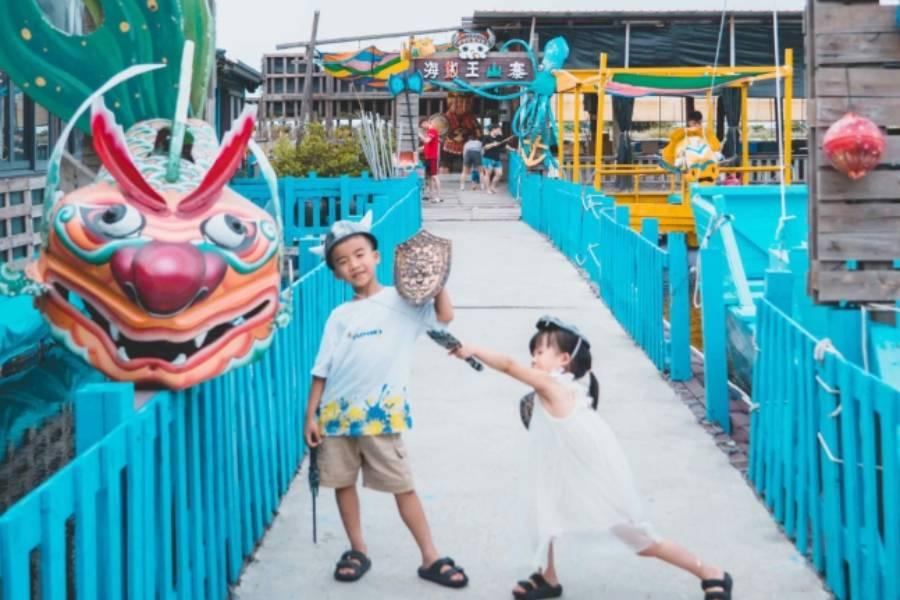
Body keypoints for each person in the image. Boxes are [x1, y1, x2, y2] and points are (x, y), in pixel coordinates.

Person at [449, 316, 733, 600]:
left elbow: (509, 366)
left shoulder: (553, 386)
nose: (533, 358)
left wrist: (473, 349)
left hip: (593, 478)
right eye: (533, 352)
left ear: (564, 359)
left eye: (541, 352)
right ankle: (548, 578)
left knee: (641, 540)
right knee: (542, 514)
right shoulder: (561, 386)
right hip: (562, 468)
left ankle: (711, 572)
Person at [304, 214, 468, 589]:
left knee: (402, 485)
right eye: (342, 261)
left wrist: (436, 281)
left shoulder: (404, 299)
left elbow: (444, 316)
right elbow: (322, 370)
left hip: (382, 419)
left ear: (376, 257)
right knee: (343, 483)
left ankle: (430, 556)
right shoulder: (339, 316)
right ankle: (357, 548)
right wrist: (311, 415)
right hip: (336, 418)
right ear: (335, 273)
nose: (353, 264)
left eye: (359, 254)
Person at [481, 124, 510, 194]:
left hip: (497, 159)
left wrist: (512, 149)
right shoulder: (486, 137)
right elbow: (484, 147)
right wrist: (493, 144)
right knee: (488, 174)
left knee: (499, 174)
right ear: (493, 129)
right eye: (498, 129)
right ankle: (488, 189)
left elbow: (504, 145)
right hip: (488, 158)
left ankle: (492, 186)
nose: (500, 131)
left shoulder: (499, 137)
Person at [418, 118, 442, 203]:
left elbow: (426, 141)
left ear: (426, 123)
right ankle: (432, 196)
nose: (423, 128)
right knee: (429, 177)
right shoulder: (428, 132)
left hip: (432, 158)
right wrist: (416, 150)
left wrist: (419, 134)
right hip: (427, 157)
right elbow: (425, 146)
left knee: (434, 176)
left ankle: (438, 196)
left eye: (422, 126)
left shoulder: (432, 131)